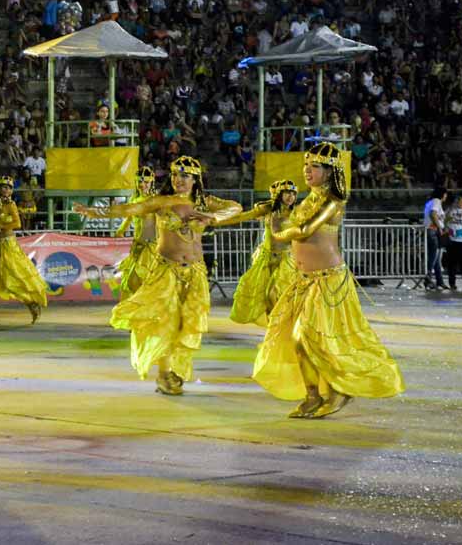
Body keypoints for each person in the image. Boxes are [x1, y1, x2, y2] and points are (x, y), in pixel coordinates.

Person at [253, 143, 405, 419]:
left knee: (308, 338)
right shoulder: (304, 201)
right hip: (304, 280)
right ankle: (312, 396)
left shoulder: (333, 201)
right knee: (296, 339)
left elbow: (304, 230)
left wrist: (276, 231)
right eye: (306, 165)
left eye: (315, 167)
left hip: (329, 281)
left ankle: (337, 391)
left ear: (330, 171)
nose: (307, 171)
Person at [75, 156, 242, 395]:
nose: (178, 180)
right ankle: (164, 374)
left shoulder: (205, 203)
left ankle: (172, 368)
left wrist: (212, 217)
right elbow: (129, 209)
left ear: (196, 180)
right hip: (167, 271)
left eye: (184, 176)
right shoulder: (161, 202)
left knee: (186, 325)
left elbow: (235, 207)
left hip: (195, 273)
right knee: (166, 322)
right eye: (175, 175)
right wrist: (94, 212)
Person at [217, 179, 299, 325]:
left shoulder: (297, 213)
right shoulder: (267, 209)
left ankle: (280, 326)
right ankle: (272, 328)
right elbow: (243, 217)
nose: (290, 196)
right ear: (280, 194)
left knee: (274, 293)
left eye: (293, 193)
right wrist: (214, 221)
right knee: (264, 297)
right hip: (266, 258)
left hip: (286, 260)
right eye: (287, 192)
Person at [76, 167, 157, 298]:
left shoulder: (156, 201)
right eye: (139, 182)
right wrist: (120, 231)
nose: (142, 185)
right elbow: (127, 217)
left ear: (152, 182)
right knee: (131, 281)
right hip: (138, 246)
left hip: (153, 248)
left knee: (150, 279)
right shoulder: (134, 200)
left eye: (146, 182)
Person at [0, 176, 46, 325]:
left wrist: (0, 225)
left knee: (12, 279)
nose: (6, 190)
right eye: (3, 187)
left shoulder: (11, 205)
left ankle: (31, 303)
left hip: (9, 246)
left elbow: (17, 223)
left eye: (9, 188)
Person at [423, 186, 447, 289]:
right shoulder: (437, 201)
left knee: (436, 258)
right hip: (433, 230)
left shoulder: (430, 202)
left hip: (431, 230)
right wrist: (439, 227)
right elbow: (433, 214)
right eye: (445, 194)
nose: (446, 196)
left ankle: (439, 281)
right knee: (433, 256)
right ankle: (428, 277)